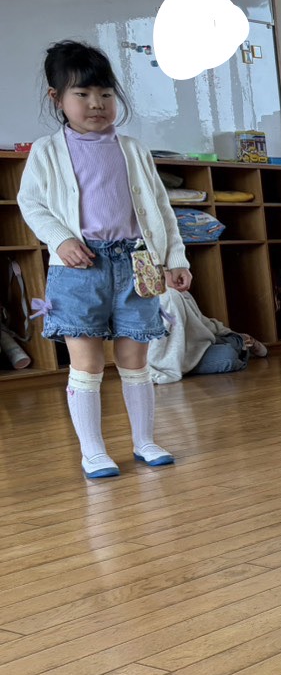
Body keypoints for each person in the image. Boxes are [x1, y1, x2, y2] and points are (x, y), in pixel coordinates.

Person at [17, 40, 190, 478]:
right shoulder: (46, 150)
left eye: (106, 94)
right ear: (56, 98)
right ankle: (92, 451)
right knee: (87, 364)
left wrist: (175, 258)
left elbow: (161, 209)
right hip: (79, 269)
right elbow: (31, 203)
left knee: (136, 360)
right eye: (83, 94)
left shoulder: (133, 149)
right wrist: (60, 240)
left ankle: (144, 441)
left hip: (139, 264)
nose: (96, 103)